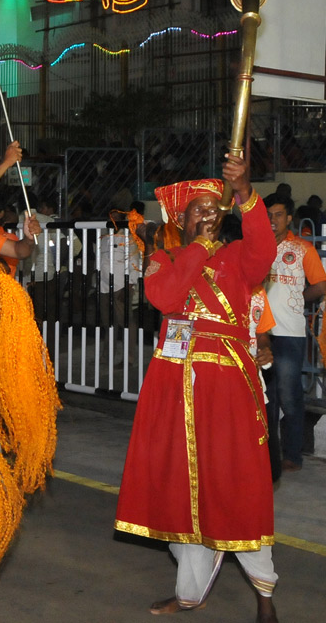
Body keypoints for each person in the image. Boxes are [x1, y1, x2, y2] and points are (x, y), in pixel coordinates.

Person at [114, 157, 279, 621]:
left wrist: (246, 194)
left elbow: (264, 250)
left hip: (227, 391)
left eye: (213, 208)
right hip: (174, 390)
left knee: (236, 486)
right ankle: (188, 592)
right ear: (179, 219)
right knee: (180, 491)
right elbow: (165, 298)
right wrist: (199, 250)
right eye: (197, 209)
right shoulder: (163, 260)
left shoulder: (236, 257)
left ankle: (265, 595)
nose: (207, 215)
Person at [262, 193, 325, 472]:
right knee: (266, 398)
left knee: (289, 396)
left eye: (278, 215)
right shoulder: (256, 247)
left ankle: (292, 454)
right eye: (268, 215)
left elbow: (321, 285)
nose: (272, 220)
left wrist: (299, 297)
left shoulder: (302, 249)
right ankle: (268, 455)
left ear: (289, 218)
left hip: (289, 333)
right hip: (259, 332)